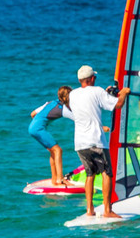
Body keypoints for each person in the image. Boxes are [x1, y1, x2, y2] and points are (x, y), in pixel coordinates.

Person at [62, 64, 130, 218]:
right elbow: (118, 104)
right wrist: (124, 93)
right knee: (107, 173)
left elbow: (89, 103)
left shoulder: (73, 95)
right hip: (96, 141)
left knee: (89, 174)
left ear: (80, 80)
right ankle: (107, 210)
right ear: (92, 78)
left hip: (80, 143)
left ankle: (89, 210)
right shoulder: (97, 91)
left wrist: (105, 94)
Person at [28, 85, 75, 186]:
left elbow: (33, 114)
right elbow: (79, 120)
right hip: (38, 129)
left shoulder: (49, 103)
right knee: (58, 150)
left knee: (53, 151)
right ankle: (61, 179)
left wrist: (42, 124)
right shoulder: (63, 109)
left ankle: (55, 179)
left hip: (32, 128)